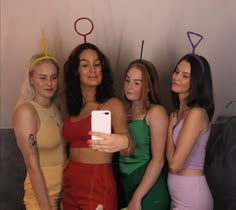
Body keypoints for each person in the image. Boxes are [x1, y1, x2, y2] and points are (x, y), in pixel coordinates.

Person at [62, 42, 134, 210]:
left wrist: (125, 142)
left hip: (97, 180)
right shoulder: (72, 107)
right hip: (70, 181)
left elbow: (127, 148)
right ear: (75, 71)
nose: (93, 70)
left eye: (97, 64)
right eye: (85, 65)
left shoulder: (112, 105)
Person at [13, 53, 67, 210]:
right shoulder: (26, 111)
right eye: (42, 78)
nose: (49, 83)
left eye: (54, 77)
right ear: (31, 79)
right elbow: (31, 164)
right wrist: (45, 207)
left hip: (63, 193)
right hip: (41, 198)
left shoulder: (56, 108)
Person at [118, 59, 170, 210]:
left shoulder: (156, 112)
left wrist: (137, 197)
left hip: (148, 189)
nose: (129, 86)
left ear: (147, 87)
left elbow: (159, 160)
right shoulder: (122, 111)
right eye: (127, 80)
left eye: (137, 83)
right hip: (126, 183)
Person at [166, 53, 215, 210]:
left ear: (196, 83)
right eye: (177, 71)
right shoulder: (179, 113)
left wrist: (169, 129)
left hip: (192, 198)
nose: (176, 77)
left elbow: (174, 165)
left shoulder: (196, 114)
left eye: (185, 75)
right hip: (178, 196)